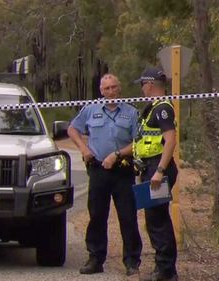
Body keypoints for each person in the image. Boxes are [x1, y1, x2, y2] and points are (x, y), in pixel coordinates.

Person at [68, 74, 142, 277]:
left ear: (120, 89)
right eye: (106, 88)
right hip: (98, 169)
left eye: (114, 87)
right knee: (97, 216)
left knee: (127, 216)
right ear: (101, 91)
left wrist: (117, 154)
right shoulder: (91, 110)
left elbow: (139, 142)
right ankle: (95, 258)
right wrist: (83, 149)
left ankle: (131, 261)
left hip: (123, 170)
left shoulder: (131, 113)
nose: (110, 91)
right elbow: (73, 129)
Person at [133, 67, 179, 281]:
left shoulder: (162, 108)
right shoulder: (152, 108)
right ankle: (163, 267)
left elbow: (170, 140)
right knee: (154, 219)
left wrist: (159, 171)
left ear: (150, 85)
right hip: (150, 168)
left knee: (158, 220)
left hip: (159, 169)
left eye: (143, 84)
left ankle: (166, 270)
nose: (142, 89)